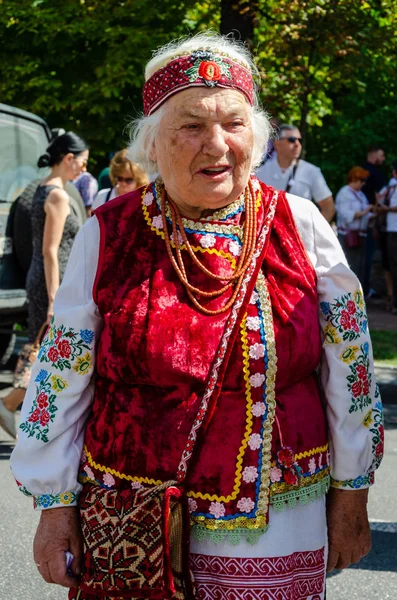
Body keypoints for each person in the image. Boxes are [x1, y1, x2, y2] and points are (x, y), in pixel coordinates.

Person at [11, 33, 382, 600]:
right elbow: (61, 379)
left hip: (280, 522)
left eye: (234, 124)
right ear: (153, 144)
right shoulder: (109, 233)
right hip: (135, 518)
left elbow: (350, 369)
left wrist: (352, 492)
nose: (217, 144)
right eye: (190, 125)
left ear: (255, 138)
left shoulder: (301, 223)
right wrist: (54, 506)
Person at [0, 132, 89, 439]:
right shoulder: (58, 195)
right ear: (68, 159)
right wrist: (54, 298)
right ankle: (10, 404)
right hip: (51, 282)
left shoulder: (43, 188)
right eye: (82, 162)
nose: (83, 169)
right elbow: (50, 251)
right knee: (50, 352)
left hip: (43, 279)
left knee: (48, 351)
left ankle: (33, 417)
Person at [256, 124, 335, 222]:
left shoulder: (311, 171)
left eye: (300, 140)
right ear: (277, 144)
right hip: (269, 235)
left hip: (300, 236)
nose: (297, 144)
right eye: (292, 140)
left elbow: (328, 207)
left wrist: (314, 234)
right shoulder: (260, 173)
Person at [335, 167, 372, 286]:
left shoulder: (360, 194)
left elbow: (366, 213)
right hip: (348, 236)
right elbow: (347, 216)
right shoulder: (344, 193)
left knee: (359, 266)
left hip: (360, 235)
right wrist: (366, 212)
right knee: (349, 266)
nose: (363, 184)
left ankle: (357, 294)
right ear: (354, 179)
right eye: (362, 180)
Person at [361, 146, 387, 298]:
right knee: (366, 257)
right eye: (381, 155)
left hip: (369, 219)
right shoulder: (375, 174)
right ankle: (365, 288)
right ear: (374, 154)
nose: (383, 159)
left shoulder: (361, 170)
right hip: (373, 220)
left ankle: (364, 287)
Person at [378, 160, 397, 314]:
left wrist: (386, 208)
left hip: (394, 231)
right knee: (392, 266)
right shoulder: (391, 187)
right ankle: (393, 300)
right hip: (390, 230)